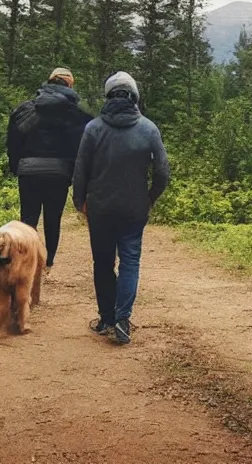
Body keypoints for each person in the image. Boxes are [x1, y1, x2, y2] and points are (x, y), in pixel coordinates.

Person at [72, 72, 170, 345]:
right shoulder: (148, 129)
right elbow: (163, 172)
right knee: (130, 261)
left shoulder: (93, 128)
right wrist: (150, 198)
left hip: (100, 208)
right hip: (134, 208)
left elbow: (80, 169)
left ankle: (105, 318)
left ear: (108, 96)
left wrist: (80, 201)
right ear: (134, 96)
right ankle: (122, 318)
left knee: (102, 263)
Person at [7, 67, 93, 272]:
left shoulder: (25, 109)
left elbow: (13, 141)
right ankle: (47, 261)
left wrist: (16, 166)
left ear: (49, 82)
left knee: (28, 219)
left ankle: (25, 260)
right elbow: (81, 147)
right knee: (53, 218)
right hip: (59, 173)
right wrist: (76, 174)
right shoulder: (76, 114)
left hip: (28, 171)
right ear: (70, 85)